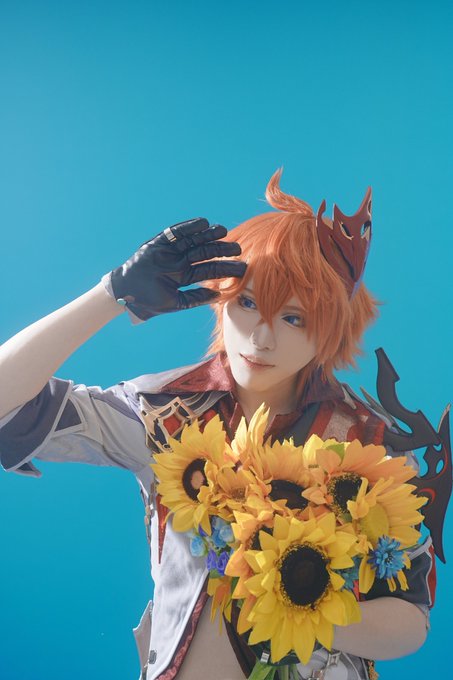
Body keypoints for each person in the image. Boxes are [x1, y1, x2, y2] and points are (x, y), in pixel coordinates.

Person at [0, 170, 438, 680]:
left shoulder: (371, 442)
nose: (262, 338)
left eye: (294, 318)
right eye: (247, 303)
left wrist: (302, 605)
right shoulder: (164, 414)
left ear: (332, 329)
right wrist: (110, 295)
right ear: (220, 298)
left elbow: (411, 618)